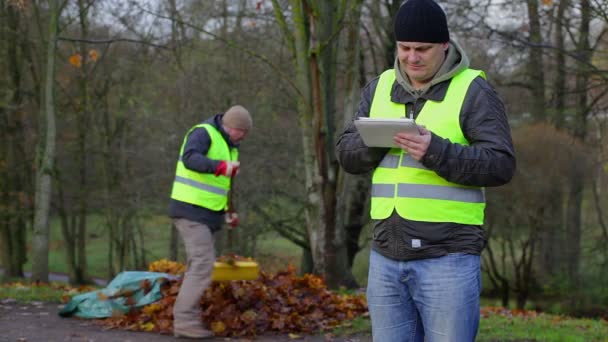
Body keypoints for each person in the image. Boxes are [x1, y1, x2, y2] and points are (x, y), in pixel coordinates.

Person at [336, 0, 516, 341]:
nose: (411, 57)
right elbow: (346, 154)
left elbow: (501, 165)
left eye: (422, 49)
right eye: (404, 48)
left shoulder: (473, 91)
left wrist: (437, 152)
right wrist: (375, 141)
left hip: (448, 258)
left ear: (444, 45)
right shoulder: (379, 88)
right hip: (386, 255)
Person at [168, 105, 252, 339]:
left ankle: (186, 317)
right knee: (204, 264)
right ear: (230, 126)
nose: (243, 136)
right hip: (189, 210)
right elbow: (190, 159)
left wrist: (228, 212)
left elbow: (218, 188)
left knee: (198, 265)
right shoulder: (203, 133)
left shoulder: (230, 147)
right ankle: (184, 321)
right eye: (241, 131)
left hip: (205, 212)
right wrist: (221, 167)